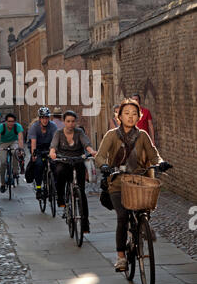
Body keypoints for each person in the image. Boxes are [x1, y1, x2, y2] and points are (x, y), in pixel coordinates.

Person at [95, 98, 171, 271]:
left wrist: (160, 163)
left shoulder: (142, 135)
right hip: (117, 183)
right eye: (126, 113)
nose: (130, 117)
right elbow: (99, 156)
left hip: (139, 182)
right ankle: (121, 257)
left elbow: (154, 155)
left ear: (139, 117)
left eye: (134, 114)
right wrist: (104, 165)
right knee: (122, 216)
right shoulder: (111, 135)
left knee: (144, 210)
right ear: (119, 116)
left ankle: (142, 227)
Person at [49, 110, 97, 234]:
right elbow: (53, 146)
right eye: (68, 121)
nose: (70, 124)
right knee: (59, 172)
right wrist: (53, 152)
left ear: (75, 122)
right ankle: (60, 197)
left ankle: (85, 224)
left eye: (72, 121)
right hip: (64, 161)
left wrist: (91, 151)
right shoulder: (59, 133)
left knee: (81, 192)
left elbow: (86, 144)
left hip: (77, 161)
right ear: (64, 122)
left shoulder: (79, 132)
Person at [27, 107, 57, 199]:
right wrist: (34, 155)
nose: (45, 120)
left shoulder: (53, 126)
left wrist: (54, 152)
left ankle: (54, 185)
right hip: (37, 148)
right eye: (43, 118)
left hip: (49, 147)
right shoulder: (34, 127)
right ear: (40, 118)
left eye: (46, 117)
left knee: (55, 164)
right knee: (39, 164)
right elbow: (33, 143)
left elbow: (55, 141)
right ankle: (39, 188)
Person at [0, 113, 24, 193]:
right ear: (6, 121)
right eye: (9, 121)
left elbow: (20, 139)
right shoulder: (1, 127)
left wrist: (20, 150)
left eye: (12, 121)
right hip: (3, 143)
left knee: (15, 152)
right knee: (3, 163)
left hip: (13, 142)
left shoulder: (18, 126)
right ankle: (3, 183)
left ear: (15, 122)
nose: (11, 123)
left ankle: (15, 171)